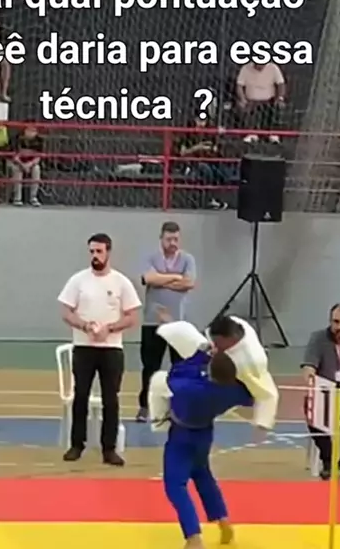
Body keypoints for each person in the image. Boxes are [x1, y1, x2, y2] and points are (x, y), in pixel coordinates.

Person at [150, 322, 256, 549]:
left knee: (175, 485)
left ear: (209, 370)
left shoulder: (190, 387)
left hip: (182, 435)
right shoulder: (232, 391)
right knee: (202, 476)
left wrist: (202, 353)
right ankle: (223, 520)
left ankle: (193, 536)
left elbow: (174, 374)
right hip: (204, 434)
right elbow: (251, 397)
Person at [58, 233, 141, 466]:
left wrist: (110, 329)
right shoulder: (78, 281)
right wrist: (85, 326)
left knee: (110, 399)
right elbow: (66, 312)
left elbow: (132, 316)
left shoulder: (121, 282)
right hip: (84, 347)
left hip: (111, 349)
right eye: (92, 251)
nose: (95, 256)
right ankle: (77, 444)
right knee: (81, 396)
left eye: (99, 251)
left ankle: (109, 449)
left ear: (108, 252)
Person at [136, 221, 196, 422]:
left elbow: (189, 282)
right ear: (161, 239)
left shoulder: (187, 259)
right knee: (150, 367)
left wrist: (161, 279)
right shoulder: (151, 258)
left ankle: (177, 408)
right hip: (152, 322)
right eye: (169, 239)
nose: (173, 243)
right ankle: (145, 407)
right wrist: (176, 277)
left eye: (176, 239)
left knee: (180, 368)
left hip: (178, 323)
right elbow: (148, 279)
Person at [206, 315, 279, 429]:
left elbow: (267, 395)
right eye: (214, 341)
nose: (216, 346)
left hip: (241, 376)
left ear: (233, 338)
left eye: (219, 343)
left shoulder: (251, 362)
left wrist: (262, 424)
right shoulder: (233, 322)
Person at [301, 303, 340, 480]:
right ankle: (328, 459)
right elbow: (309, 366)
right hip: (325, 394)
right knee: (312, 409)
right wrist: (311, 377)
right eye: (336, 322)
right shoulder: (318, 338)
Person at [236, 62, 286, 144]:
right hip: (251, 100)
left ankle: (273, 134)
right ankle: (251, 133)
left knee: (277, 106)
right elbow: (239, 86)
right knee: (246, 107)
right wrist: (242, 99)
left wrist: (280, 98)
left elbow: (281, 84)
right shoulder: (245, 68)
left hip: (269, 100)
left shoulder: (273, 68)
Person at [8, 125, 44, 207]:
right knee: (17, 170)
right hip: (17, 162)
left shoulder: (39, 140)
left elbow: (38, 157)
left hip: (31, 163)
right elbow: (14, 156)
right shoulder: (16, 139)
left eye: (34, 131)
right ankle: (17, 198)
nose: (31, 133)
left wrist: (29, 164)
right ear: (24, 130)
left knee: (37, 169)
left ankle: (33, 197)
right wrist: (23, 165)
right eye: (29, 130)